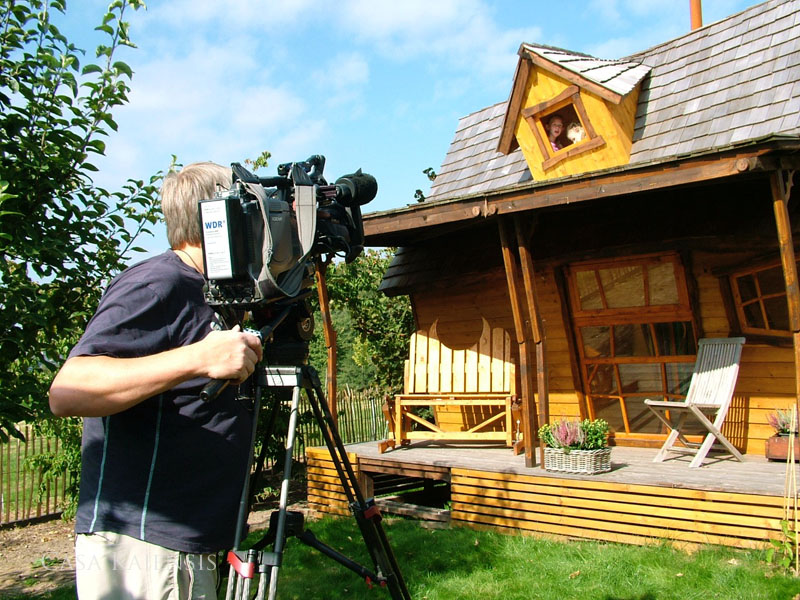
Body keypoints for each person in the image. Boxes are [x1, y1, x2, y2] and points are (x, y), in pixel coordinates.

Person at [49, 162, 264, 599]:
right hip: (147, 551)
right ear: (220, 215)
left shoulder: (213, 291)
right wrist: (198, 358)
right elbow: (69, 389)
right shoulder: (157, 283)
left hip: (185, 545)